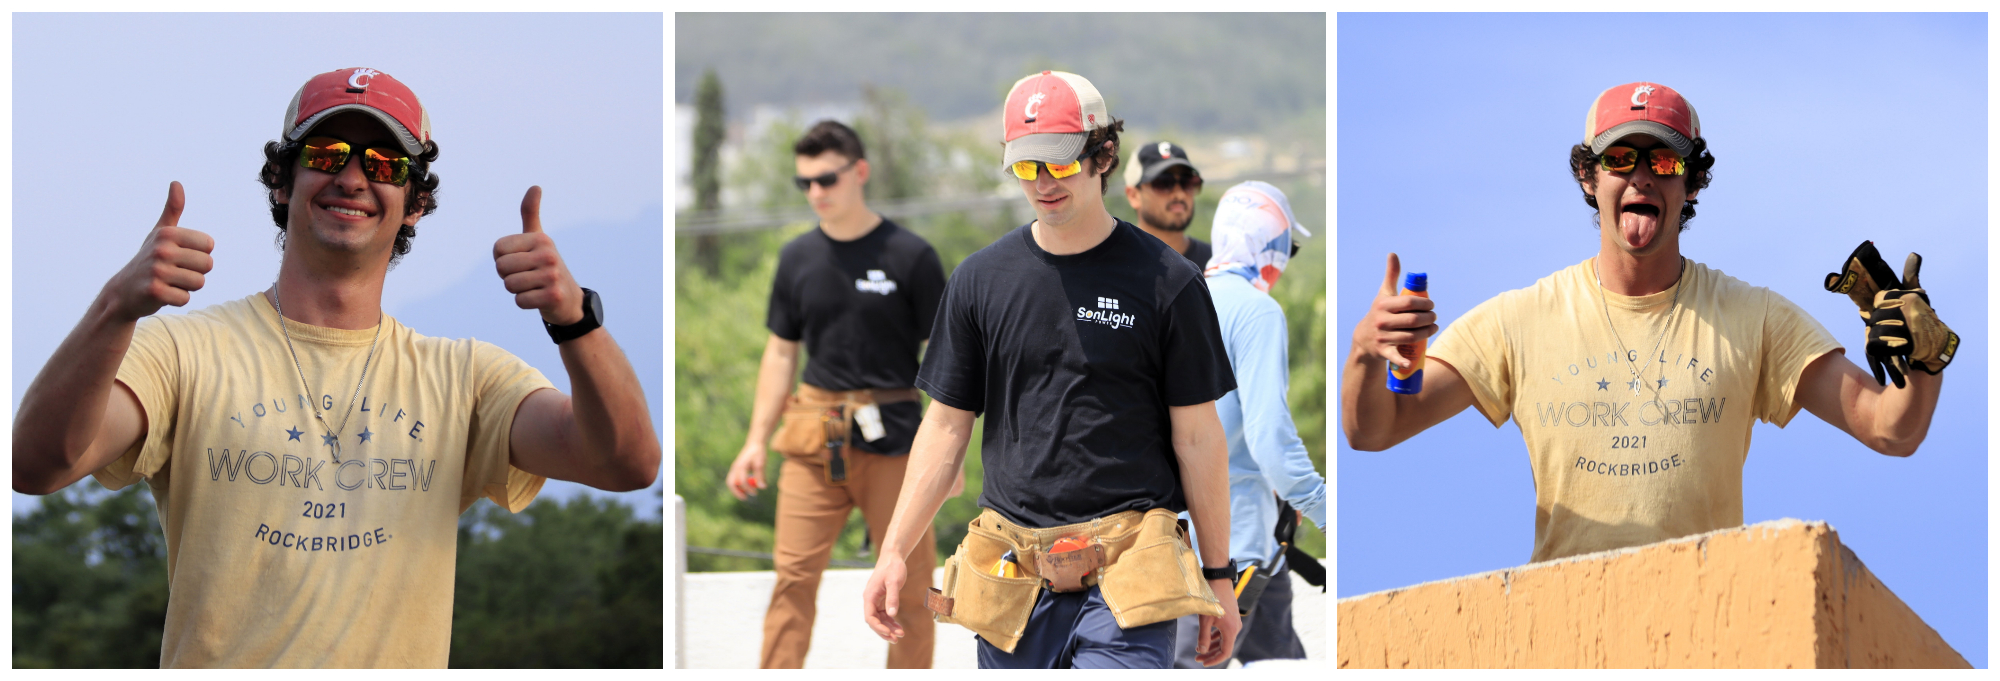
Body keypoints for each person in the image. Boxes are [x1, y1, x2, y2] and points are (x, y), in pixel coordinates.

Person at [10, 67, 661, 668]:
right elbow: (37, 463)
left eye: (383, 162)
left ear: (416, 201)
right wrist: (114, 308)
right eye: (325, 156)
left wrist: (574, 319)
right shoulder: (185, 353)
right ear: (281, 180)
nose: (352, 177)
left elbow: (627, 462)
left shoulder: (465, 378)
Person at [1343, 82, 1953, 564]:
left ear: (1690, 183)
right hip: (1564, 641)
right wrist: (1367, 352)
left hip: (1706, 636)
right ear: (1590, 177)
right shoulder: (1518, 321)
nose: (1640, 175)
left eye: (1663, 161)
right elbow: (1375, 429)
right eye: (1620, 159)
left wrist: (1923, 360)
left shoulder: (1754, 317)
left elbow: (1890, 429)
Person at [858, 70, 1243, 669]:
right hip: (1012, 579)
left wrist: (1219, 576)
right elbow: (945, 429)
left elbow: (1198, 439)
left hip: (1130, 576)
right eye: (1026, 166)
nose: (1042, 183)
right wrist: (894, 552)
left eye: (1060, 165)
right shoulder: (979, 281)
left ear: (1103, 156)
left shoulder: (1170, 283)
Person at [723, 120, 949, 669]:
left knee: (913, 588)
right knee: (792, 581)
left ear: (860, 172)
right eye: (805, 183)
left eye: (826, 179)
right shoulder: (797, 257)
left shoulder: (911, 256)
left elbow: (948, 361)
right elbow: (780, 354)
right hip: (811, 432)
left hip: (893, 435)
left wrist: (949, 455)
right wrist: (754, 441)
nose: (816, 193)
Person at [1170, 181, 1325, 668]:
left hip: (1192, 542)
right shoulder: (1257, 311)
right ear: (1270, 244)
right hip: (1236, 549)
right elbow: (1269, 439)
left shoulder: (1179, 301)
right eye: (1288, 246)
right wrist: (1327, 509)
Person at [1124, 140, 1210, 265]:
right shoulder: (1116, 266)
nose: (1179, 195)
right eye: (1163, 183)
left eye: (1187, 183)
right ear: (1133, 196)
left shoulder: (1216, 265)